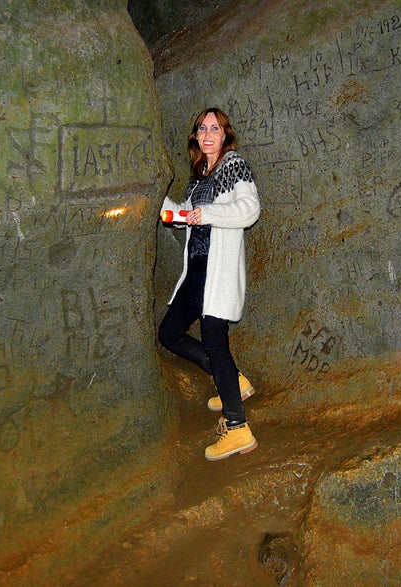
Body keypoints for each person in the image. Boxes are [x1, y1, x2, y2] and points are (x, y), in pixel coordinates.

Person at [158, 107, 261, 461]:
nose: (207, 134)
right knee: (169, 333)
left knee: (215, 341)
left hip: (218, 271)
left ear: (225, 134)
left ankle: (238, 428)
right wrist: (163, 205)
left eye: (214, 128)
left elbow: (250, 210)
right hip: (197, 270)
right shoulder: (201, 174)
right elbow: (189, 215)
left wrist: (209, 215)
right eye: (202, 128)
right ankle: (233, 379)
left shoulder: (234, 165)